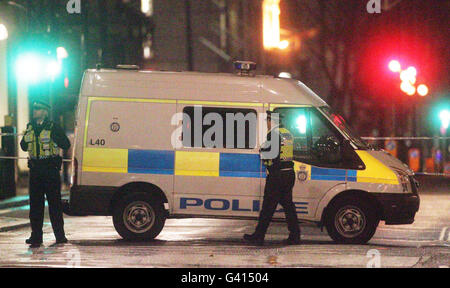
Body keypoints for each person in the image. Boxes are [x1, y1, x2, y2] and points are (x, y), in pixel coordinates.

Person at [243, 111, 300, 246]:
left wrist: (263, 152)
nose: (267, 123)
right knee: (288, 207)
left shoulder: (273, 134)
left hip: (277, 175)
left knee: (268, 207)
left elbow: (270, 155)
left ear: (272, 121)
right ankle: (295, 235)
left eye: (268, 120)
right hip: (288, 174)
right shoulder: (287, 133)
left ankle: (259, 235)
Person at [20, 101, 71, 247]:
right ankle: (36, 236)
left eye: (37, 109)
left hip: (50, 170)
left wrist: (56, 137)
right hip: (35, 170)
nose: (34, 111)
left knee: (54, 203)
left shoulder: (53, 127)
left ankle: (60, 235)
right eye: (34, 108)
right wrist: (27, 135)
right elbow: (23, 146)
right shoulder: (30, 127)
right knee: (35, 205)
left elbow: (65, 144)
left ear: (45, 111)